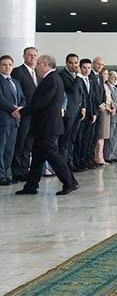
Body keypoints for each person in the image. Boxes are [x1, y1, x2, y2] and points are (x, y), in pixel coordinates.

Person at [15, 55, 79, 196]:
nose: (36, 67)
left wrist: (22, 111)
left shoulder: (51, 79)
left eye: (38, 64)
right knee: (37, 157)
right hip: (44, 126)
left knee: (53, 155)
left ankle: (70, 182)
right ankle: (31, 185)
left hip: (47, 126)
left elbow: (42, 101)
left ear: (45, 65)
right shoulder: (54, 78)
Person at [10, 47, 38, 182]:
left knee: (29, 144)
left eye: (35, 55)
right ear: (24, 56)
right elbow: (15, 93)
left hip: (35, 114)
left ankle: (25, 170)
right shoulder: (18, 71)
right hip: (23, 113)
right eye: (29, 55)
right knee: (20, 142)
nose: (32, 57)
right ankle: (16, 171)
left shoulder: (37, 72)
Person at [58, 54, 87, 171]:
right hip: (68, 112)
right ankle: (63, 165)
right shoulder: (62, 75)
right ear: (66, 63)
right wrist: (79, 76)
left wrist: (83, 107)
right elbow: (72, 89)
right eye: (71, 63)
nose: (74, 65)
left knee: (72, 139)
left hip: (77, 112)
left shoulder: (77, 76)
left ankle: (70, 163)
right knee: (65, 140)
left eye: (76, 63)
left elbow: (82, 93)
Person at [0, 55, 25, 186]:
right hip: (3, 120)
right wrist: (14, 109)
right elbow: (1, 99)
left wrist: (21, 109)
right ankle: (1, 176)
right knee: (1, 148)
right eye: (4, 65)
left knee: (9, 149)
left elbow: (22, 98)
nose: (7, 67)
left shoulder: (15, 81)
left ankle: (7, 174)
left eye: (10, 65)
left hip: (15, 120)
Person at [72, 58, 97, 172]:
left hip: (89, 114)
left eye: (89, 68)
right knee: (79, 139)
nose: (87, 70)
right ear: (80, 68)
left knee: (87, 139)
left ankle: (84, 160)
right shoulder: (78, 79)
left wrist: (94, 113)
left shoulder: (90, 80)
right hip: (80, 114)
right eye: (84, 68)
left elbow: (91, 98)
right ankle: (77, 161)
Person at [94, 68, 114, 167]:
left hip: (108, 112)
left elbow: (110, 98)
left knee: (104, 136)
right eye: (105, 73)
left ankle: (101, 157)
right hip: (103, 111)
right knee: (101, 135)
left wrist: (113, 107)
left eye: (107, 74)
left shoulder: (106, 85)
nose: (107, 75)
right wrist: (109, 109)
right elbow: (102, 100)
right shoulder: (100, 85)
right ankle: (98, 157)